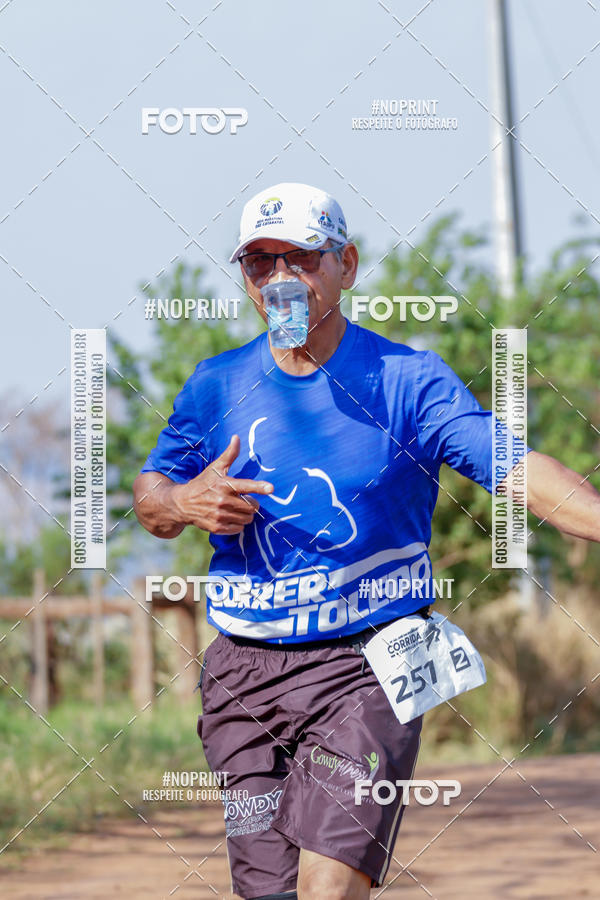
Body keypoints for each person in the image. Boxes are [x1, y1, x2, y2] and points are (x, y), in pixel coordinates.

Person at [133, 182, 600, 900]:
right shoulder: (214, 386)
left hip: (370, 664)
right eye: (259, 262)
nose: (280, 278)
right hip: (243, 673)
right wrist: (182, 500)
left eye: (301, 258)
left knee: (328, 888)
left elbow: (516, 469)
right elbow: (152, 497)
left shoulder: (408, 382)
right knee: (269, 894)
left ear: (345, 265)